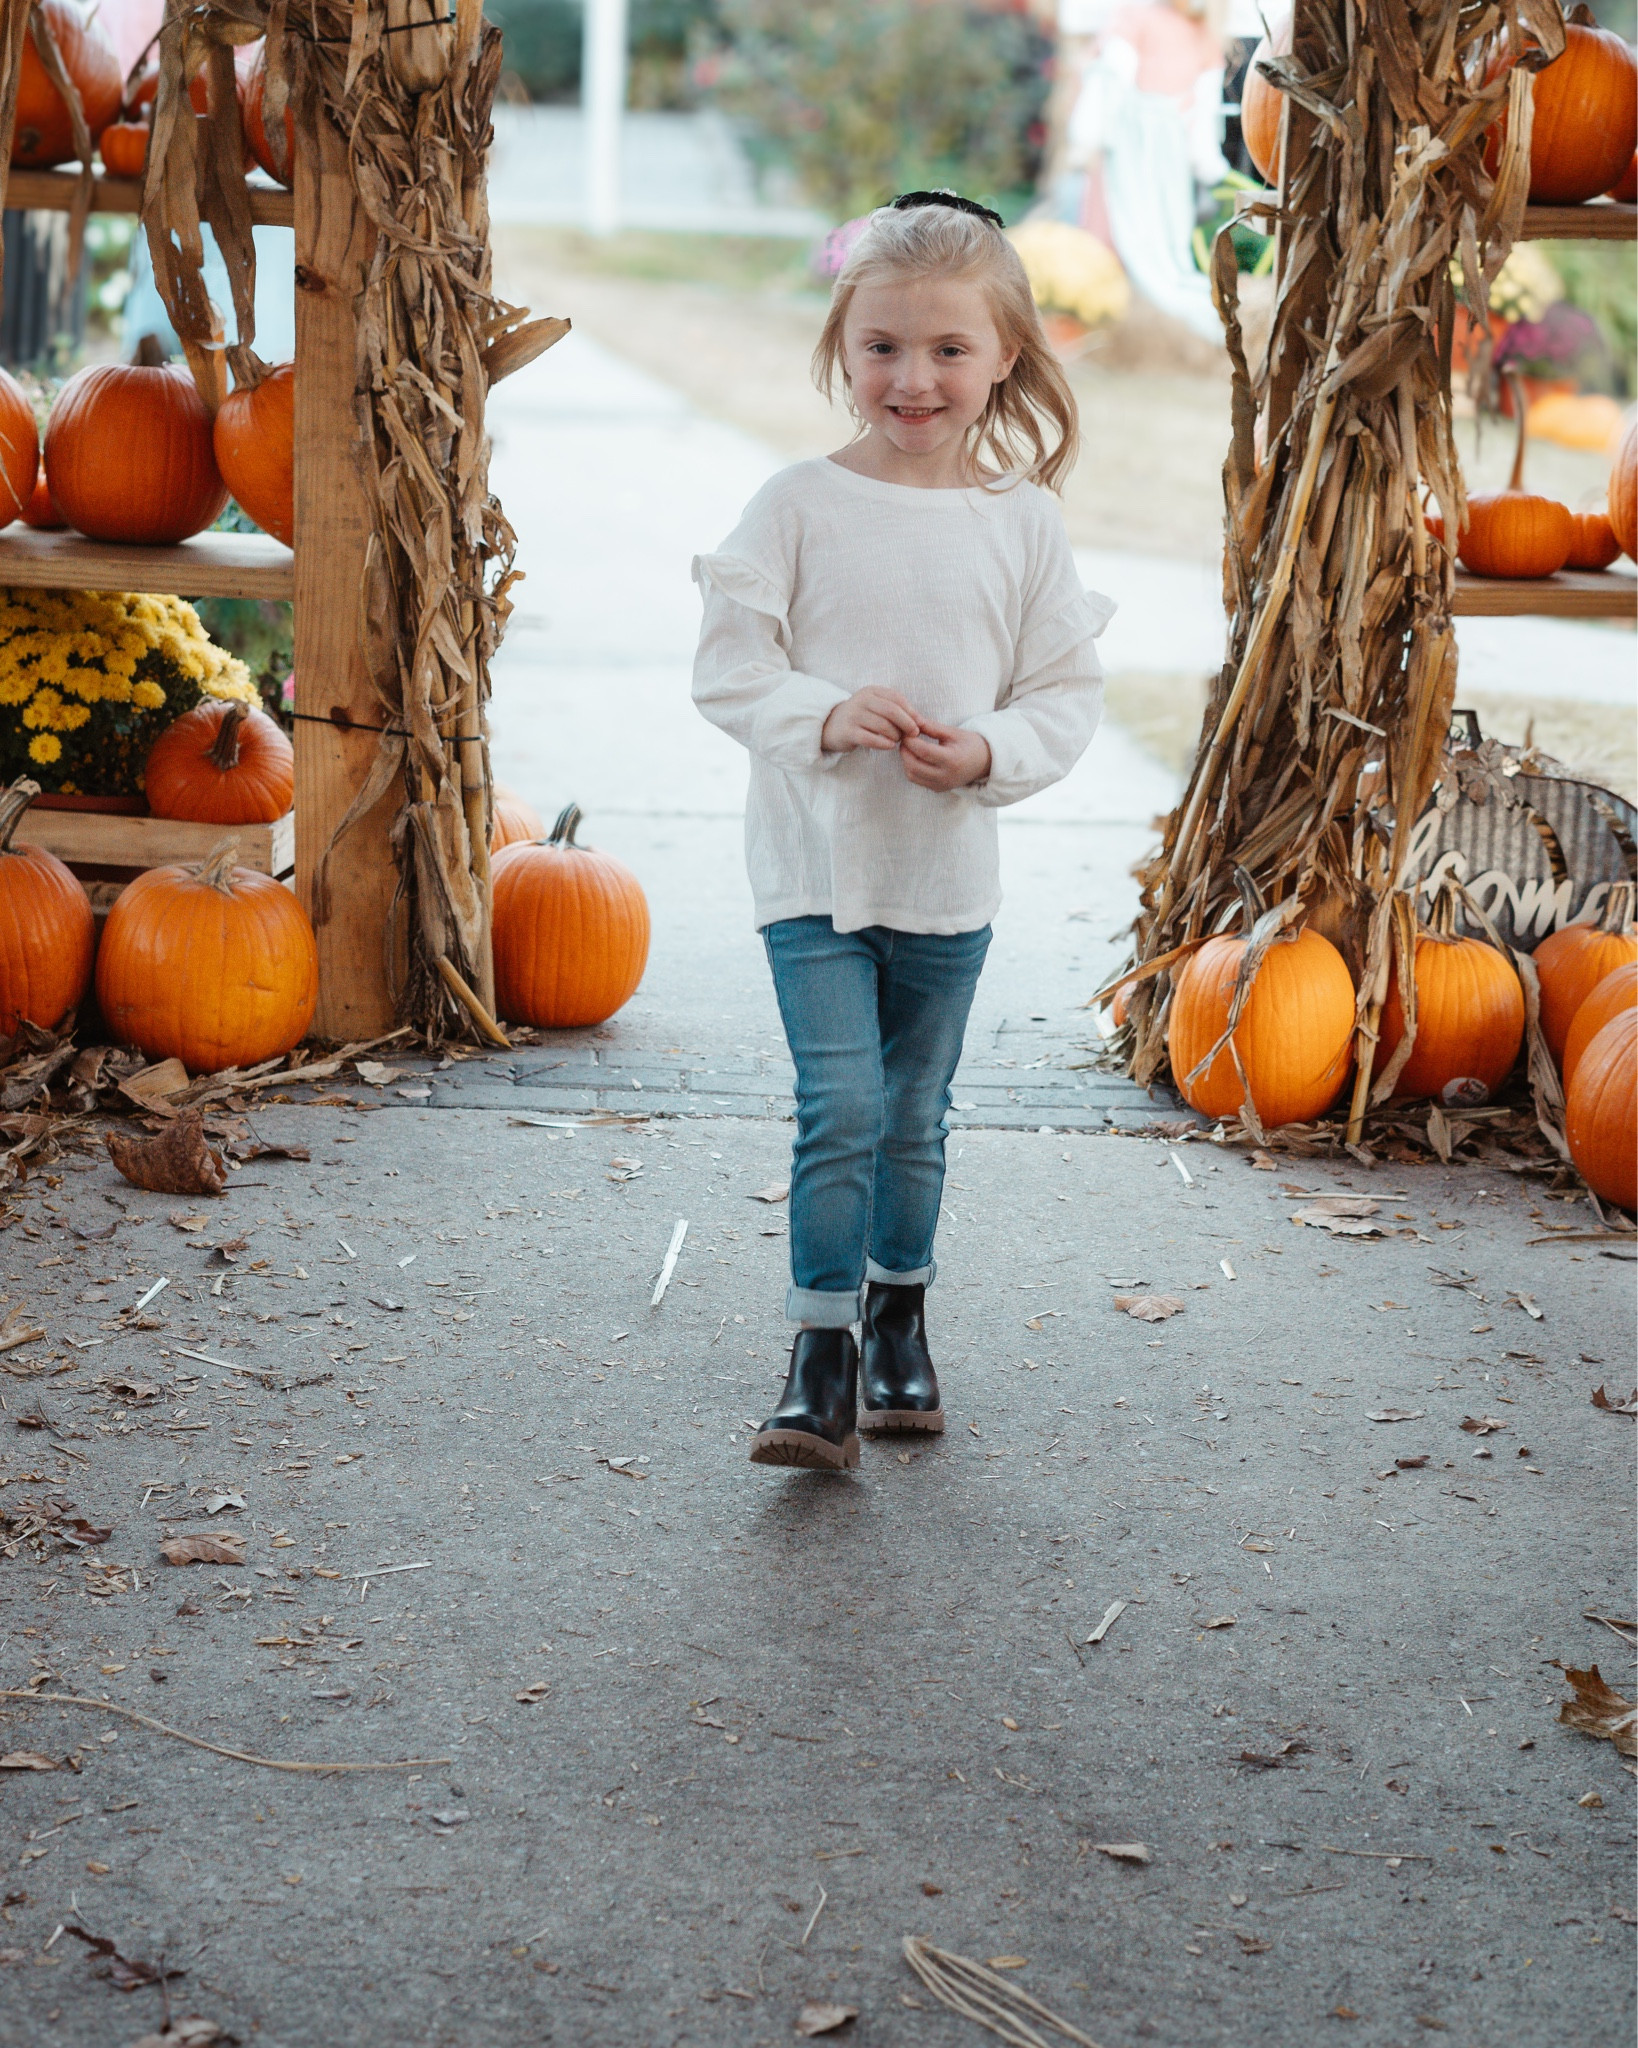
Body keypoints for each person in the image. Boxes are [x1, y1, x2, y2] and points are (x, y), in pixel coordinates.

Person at [691, 194, 1114, 1472]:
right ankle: (817, 1355)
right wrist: (824, 713)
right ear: (842, 346)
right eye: (882, 346)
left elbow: (1063, 695)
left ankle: (899, 1318)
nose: (912, 377)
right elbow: (728, 669)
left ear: (1004, 360)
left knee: (915, 1111)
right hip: (813, 867)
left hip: (945, 874)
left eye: (946, 350)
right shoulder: (797, 505)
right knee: (842, 1102)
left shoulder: (1021, 524)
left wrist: (986, 751)